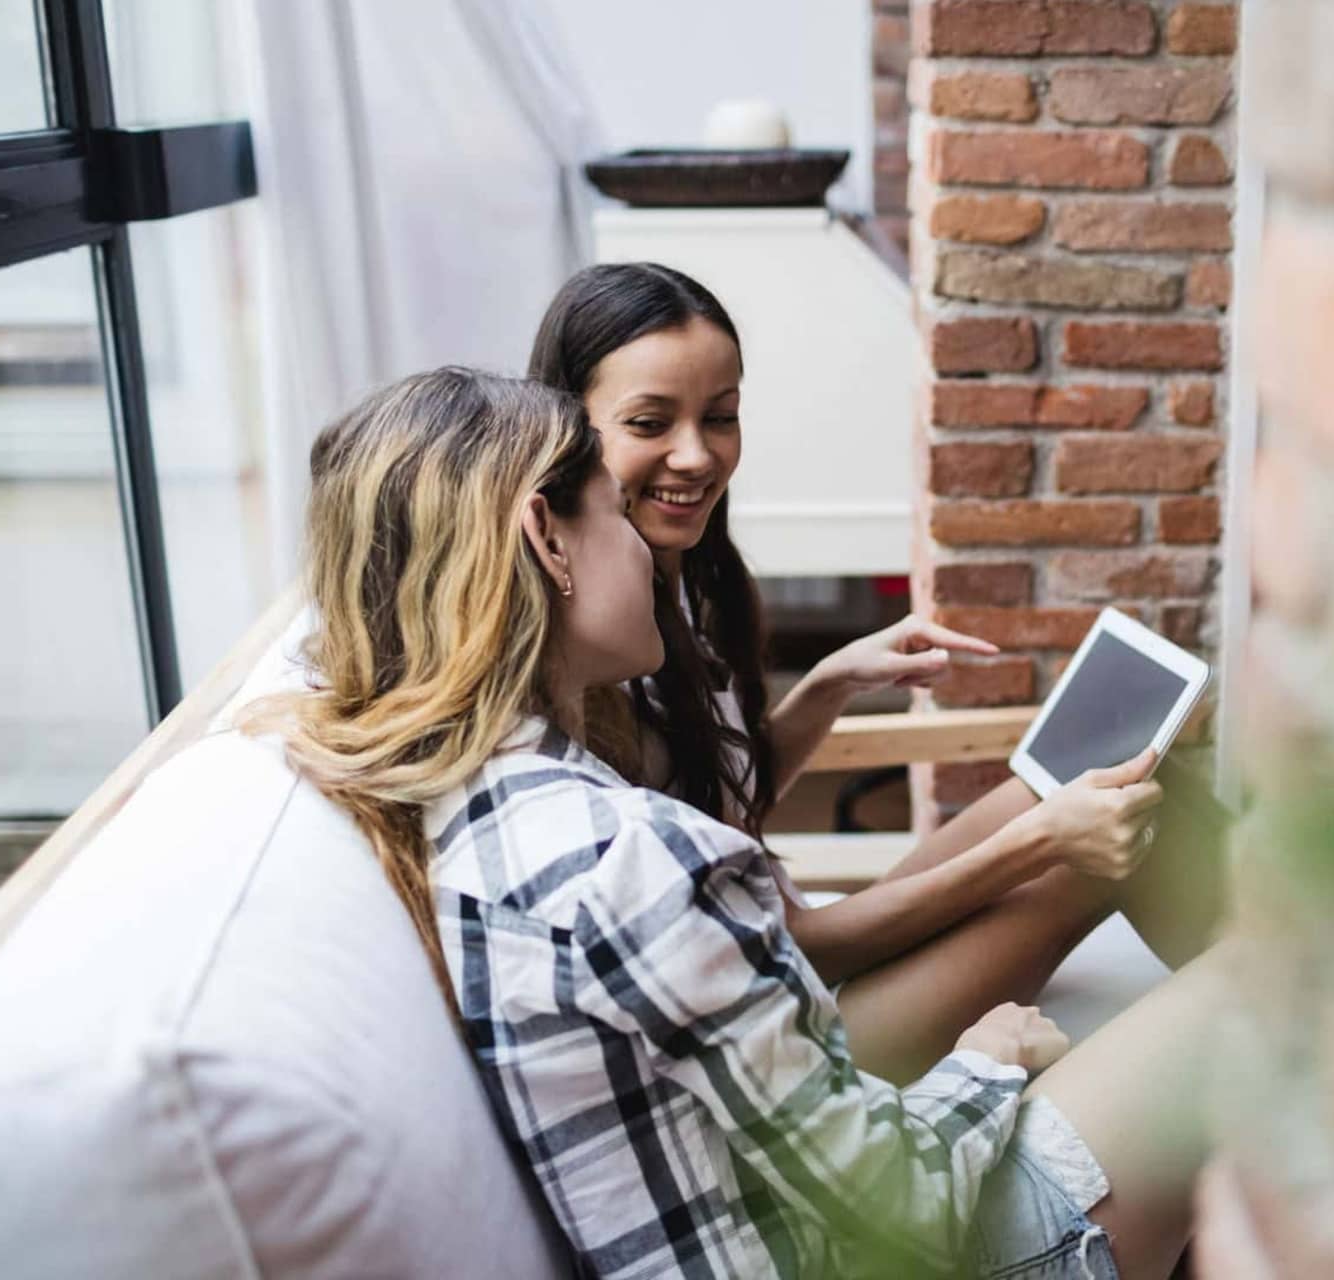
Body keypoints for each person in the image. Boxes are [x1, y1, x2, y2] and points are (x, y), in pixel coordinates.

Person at [244, 367, 1229, 1277]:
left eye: (720, 412)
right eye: (612, 510)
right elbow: (907, 1200)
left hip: (782, 1193)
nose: (658, 505)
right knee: (1270, 977)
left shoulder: (471, 797)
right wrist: (986, 1058)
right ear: (546, 537)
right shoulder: (621, 855)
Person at [527, 263, 1230, 1081]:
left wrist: (829, 683)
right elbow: (800, 942)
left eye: (721, 417)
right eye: (649, 423)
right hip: (772, 1046)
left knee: (1085, 783)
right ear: (567, 427)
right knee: (1106, 830)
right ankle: (1324, 1044)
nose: (695, 455)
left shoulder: (677, 575)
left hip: (774, 967)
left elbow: (718, 792)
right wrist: (1039, 843)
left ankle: (1317, 999)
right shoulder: (594, 641)